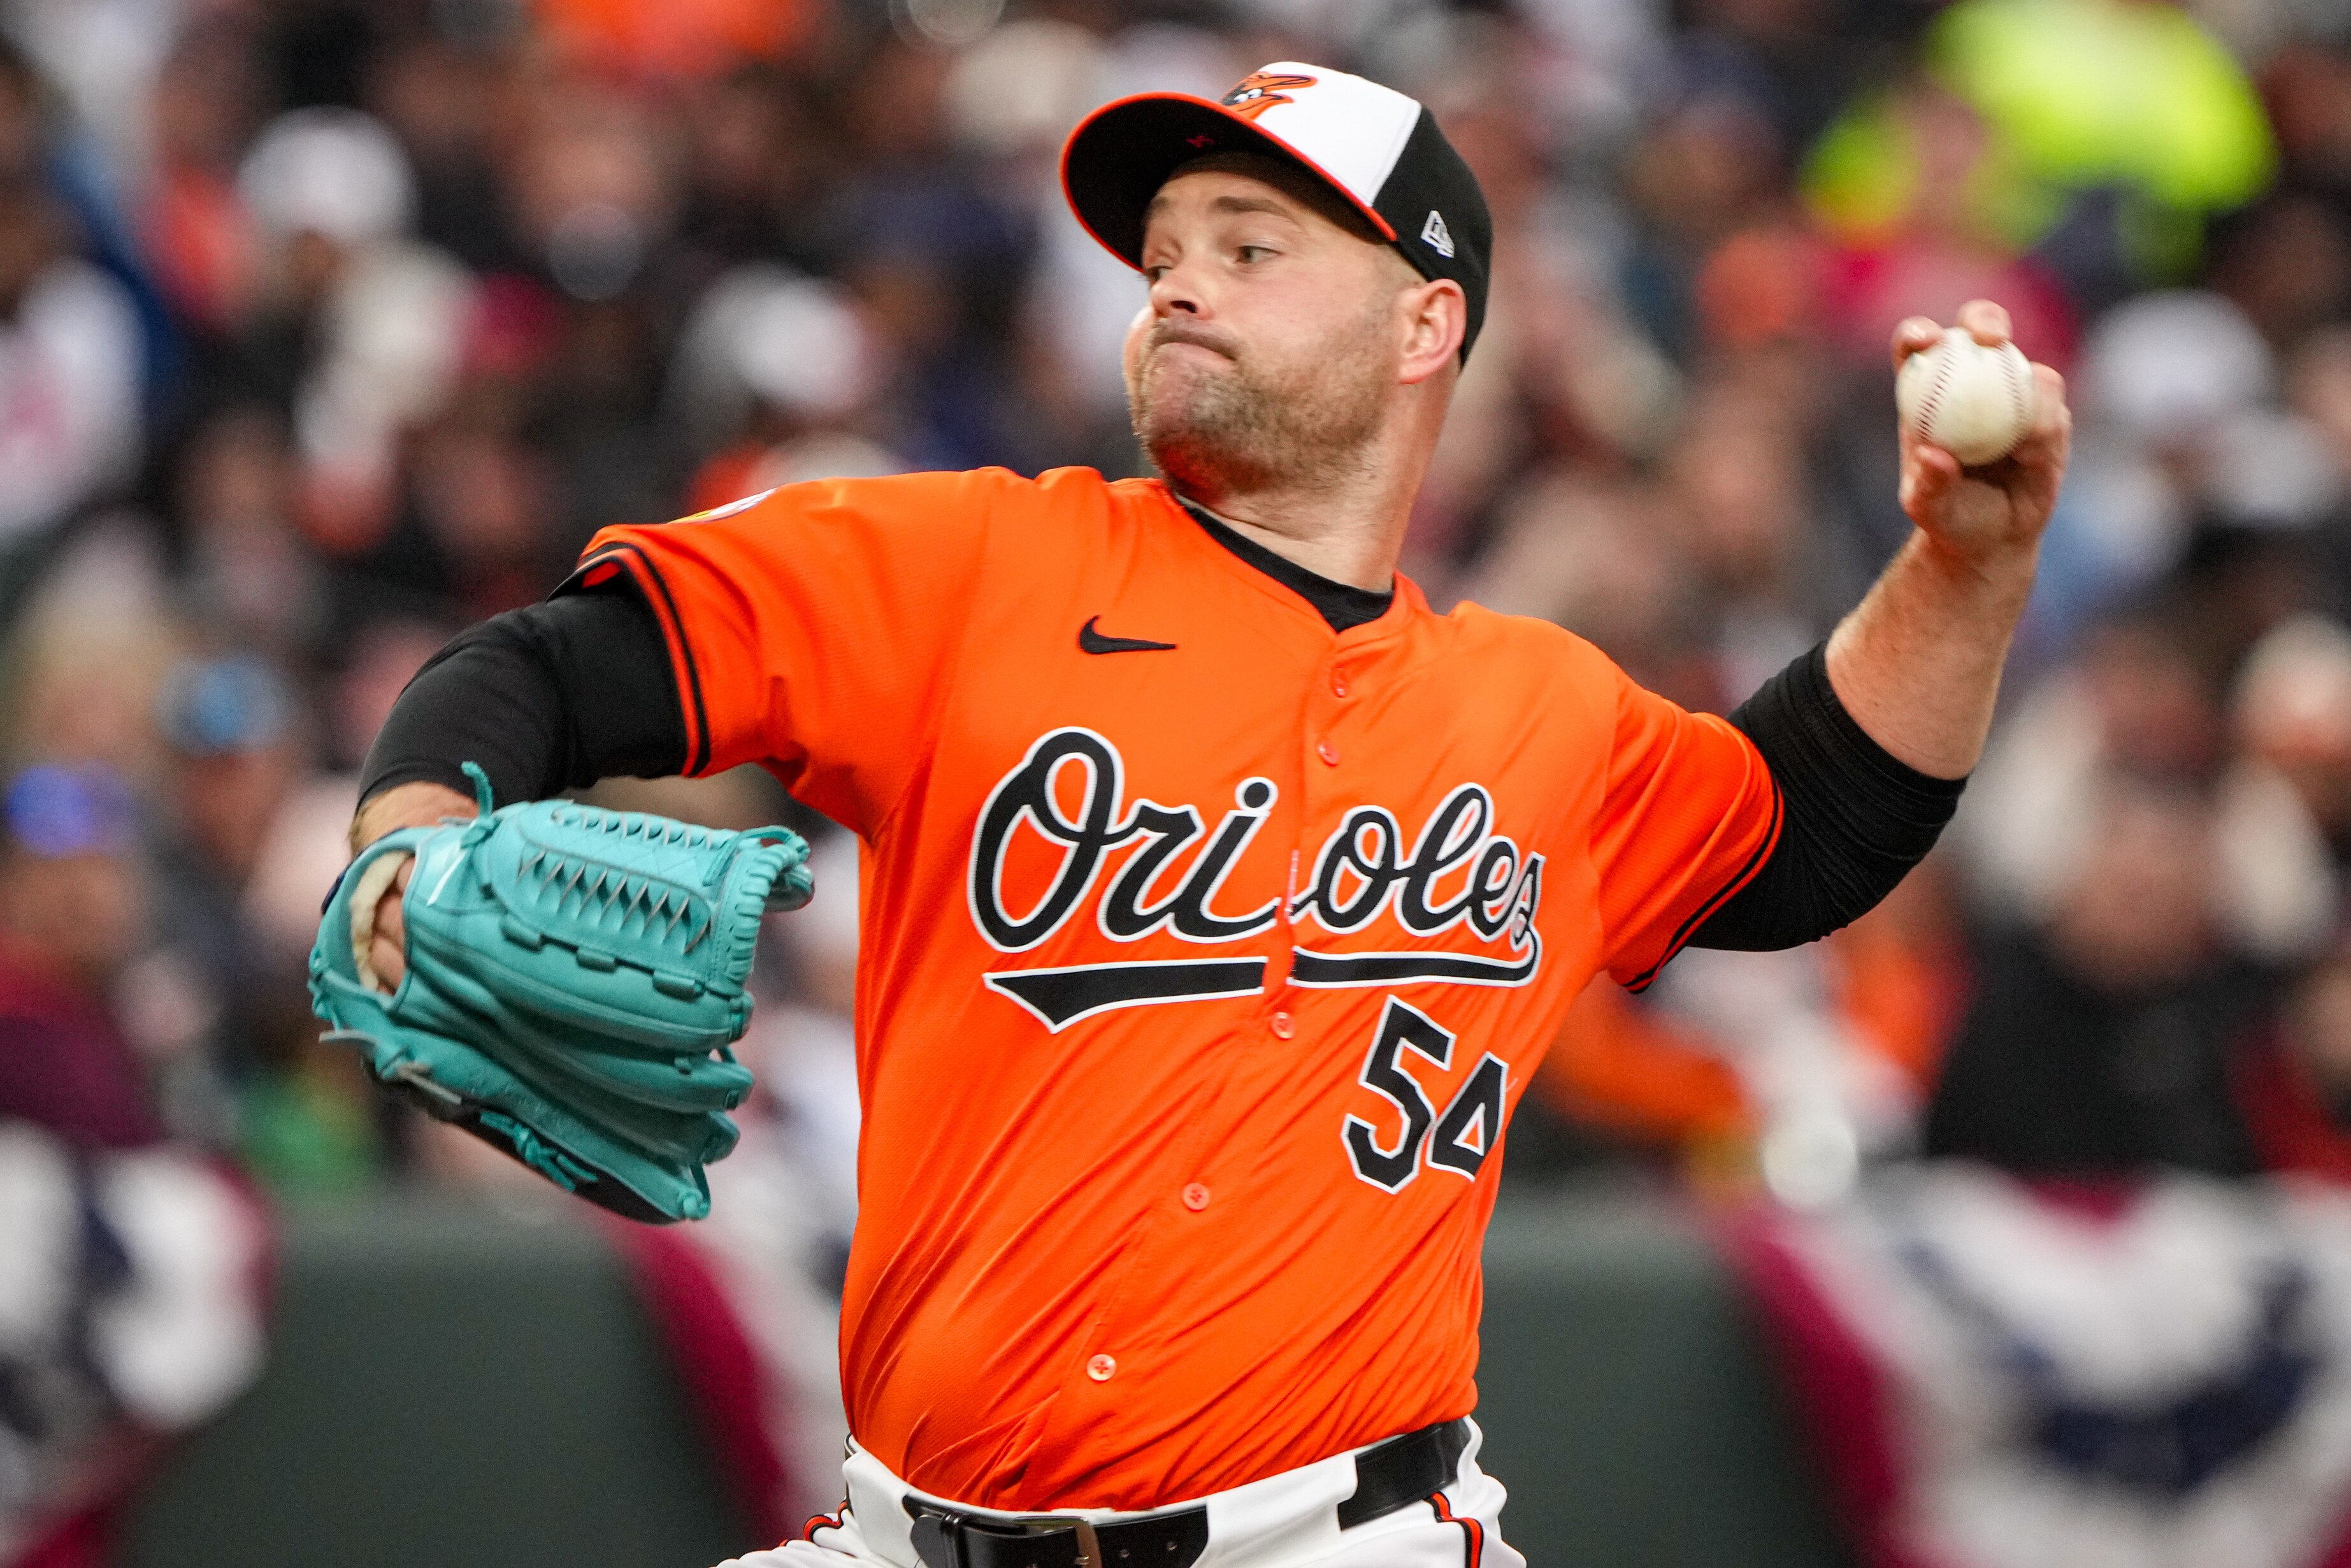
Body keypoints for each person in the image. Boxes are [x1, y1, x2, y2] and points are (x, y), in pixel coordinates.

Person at [345, 62, 2070, 1568]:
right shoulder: (969, 566)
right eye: (1162, 255)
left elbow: (1805, 829)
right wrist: (407, 825)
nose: (1179, 286)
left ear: (1425, 323)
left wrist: (1963, 568)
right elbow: (561, 667)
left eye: (1251, 246)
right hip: (910, 1531)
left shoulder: (1540, 708)